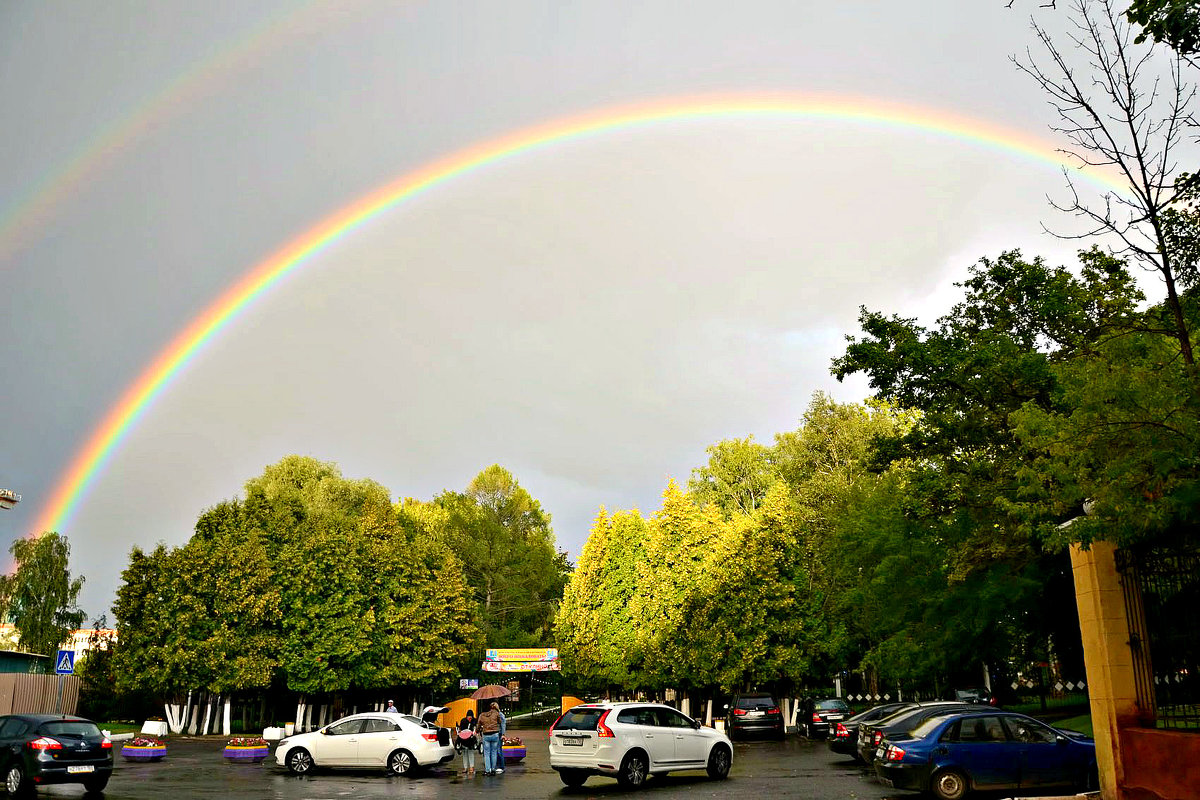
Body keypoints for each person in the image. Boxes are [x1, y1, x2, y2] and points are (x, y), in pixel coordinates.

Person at [476, 701, 504, 775]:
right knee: (494, 752)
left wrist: (477, 730)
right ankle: (493, 770)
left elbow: (478, 725)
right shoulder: (496, 713)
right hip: (495, 734)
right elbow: (500, 721)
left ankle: (487, 770)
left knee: (487, 753)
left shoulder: (481, 715)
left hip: (486, 735)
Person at [456, 709, 477, 776]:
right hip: (464, 740)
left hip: (471, 740)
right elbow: (461, 730)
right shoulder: (463, 721)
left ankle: (471, 767)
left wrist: (475, 732)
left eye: (471, 717)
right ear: (466, 716)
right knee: (464, 753)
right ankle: (465, 767)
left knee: (470, 753)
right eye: (468, 717)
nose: (470, 718)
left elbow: (475, 729)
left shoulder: (474, 721)